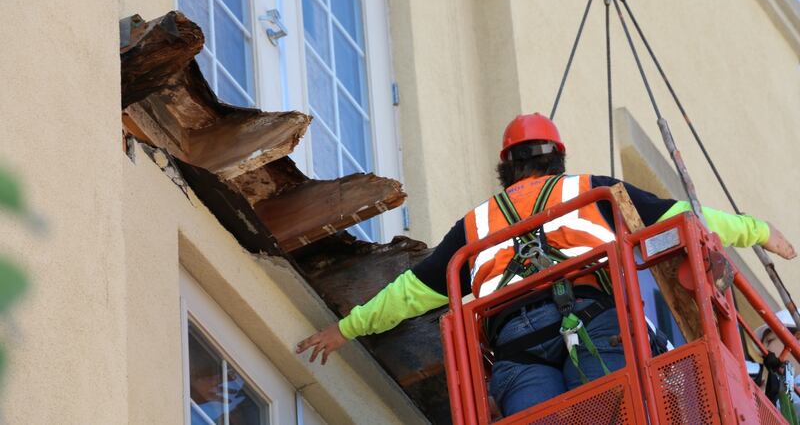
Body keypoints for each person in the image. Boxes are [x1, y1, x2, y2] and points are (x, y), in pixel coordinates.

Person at [297, 113, 797, 417]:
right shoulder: (591, 191)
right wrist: (758, 231)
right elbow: (685, 220)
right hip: (598, 328)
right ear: (558, 156)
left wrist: (346, 329)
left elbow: (412, 291)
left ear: (505, 166)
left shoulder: (476, 225)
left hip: (517, 351)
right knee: (615, 415)